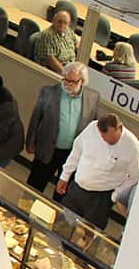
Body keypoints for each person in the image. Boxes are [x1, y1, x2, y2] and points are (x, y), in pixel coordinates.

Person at [57, 113, 139, 229]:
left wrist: (115, 195)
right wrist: (65, 176)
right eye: (103, 138)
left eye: (111, 140)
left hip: (100, 199)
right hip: (76, 189)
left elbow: (135, 177)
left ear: (119, 128)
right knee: (62, 225)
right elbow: (77, 151)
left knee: (88, 234)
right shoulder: (91, 128)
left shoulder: (133, 146)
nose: (106, 141)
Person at [25, 62, 100, 193]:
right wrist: (30, 143)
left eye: (72, 81)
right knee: (34, 186)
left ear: (82, 81)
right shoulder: (48, 92)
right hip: (48, 149)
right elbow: (35, 119)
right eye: (65, 80)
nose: (68, 84)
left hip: (73, 154)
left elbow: (94, 127)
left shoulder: (93, 97)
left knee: (63, 192)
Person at [32, 9, 77, 74]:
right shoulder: (47, 35)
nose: (62, 25)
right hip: (55, 71)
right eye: (59, 22)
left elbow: (76, 44)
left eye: (65, 23)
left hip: (71, 67)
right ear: (53, 21)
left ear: (69, 24)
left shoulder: (69, 31)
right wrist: (67, 75)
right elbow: (51, 61)